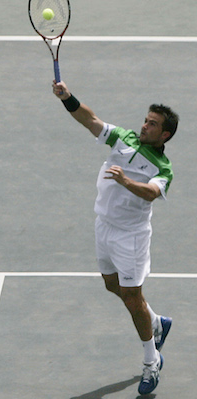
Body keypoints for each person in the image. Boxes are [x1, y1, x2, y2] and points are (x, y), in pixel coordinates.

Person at [52, 81, 176, 395]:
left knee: (132, 297)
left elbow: (151, 193)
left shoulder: (163, 167)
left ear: (165, 135)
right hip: (104, 226)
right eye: (146, 120)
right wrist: (68, 98)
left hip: (131, 237)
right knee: (112, 285)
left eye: (153, 124)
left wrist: (125, 181)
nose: (145, 125)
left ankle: (151, 361)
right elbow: (89, 120)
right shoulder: (124, 137)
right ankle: (157, 321)